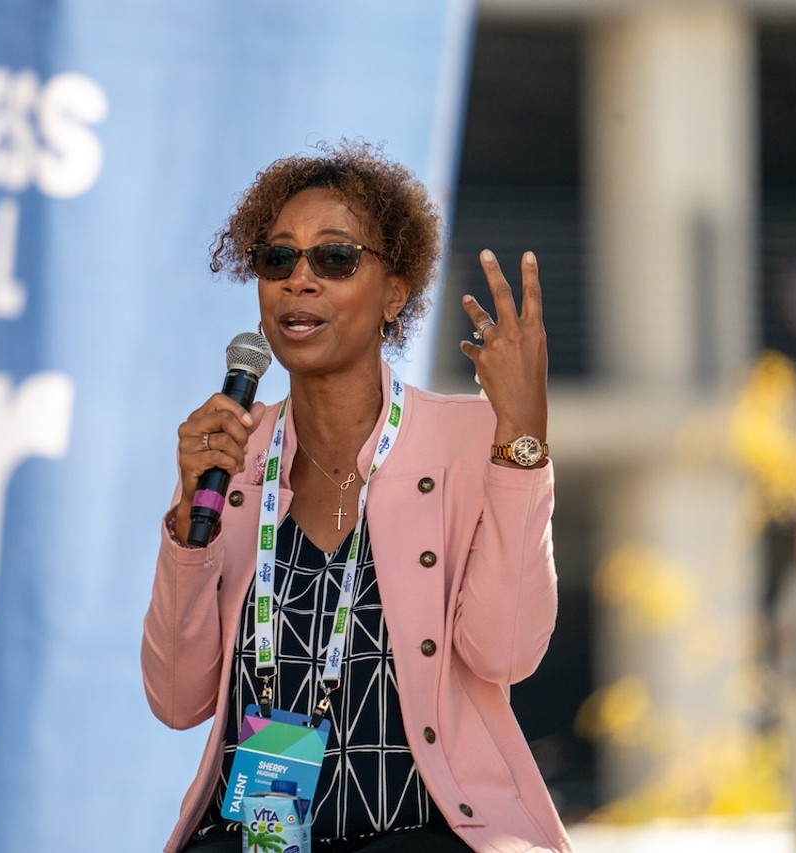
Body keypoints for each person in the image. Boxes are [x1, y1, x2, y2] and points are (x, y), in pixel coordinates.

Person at [141, 142, 572, 852]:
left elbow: (505, 652)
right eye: (278, 259)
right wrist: (191, 526)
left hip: (418, 834)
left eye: (334, 258)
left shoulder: (472, 440)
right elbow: (177, 697)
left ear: (394, 292)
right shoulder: (233, 459)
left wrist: (522, 442)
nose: (298, 281)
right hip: (261, 836)